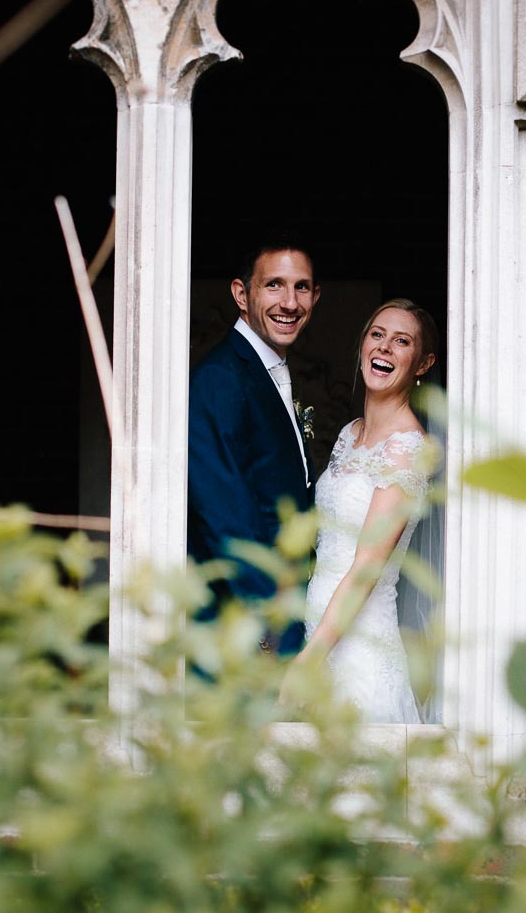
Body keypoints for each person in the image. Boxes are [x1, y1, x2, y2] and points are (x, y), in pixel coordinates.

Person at [280, 299, 441, 722]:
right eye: (377, 334)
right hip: (319, 628)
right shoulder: (350, 434)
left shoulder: (408, 449)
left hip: (361, 652)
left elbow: (367, 568)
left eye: (401, 341)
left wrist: (310, 661)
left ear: (423, 364)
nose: (384, 347)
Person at [187, 245, 321, 656]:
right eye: (274, 285)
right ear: (242, 295)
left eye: (301, 287)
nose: (290, 303)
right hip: (248, 631)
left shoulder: (265, 369)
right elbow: (226, 518)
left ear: (315, 296)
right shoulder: (221, 377)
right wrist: (275, 630)